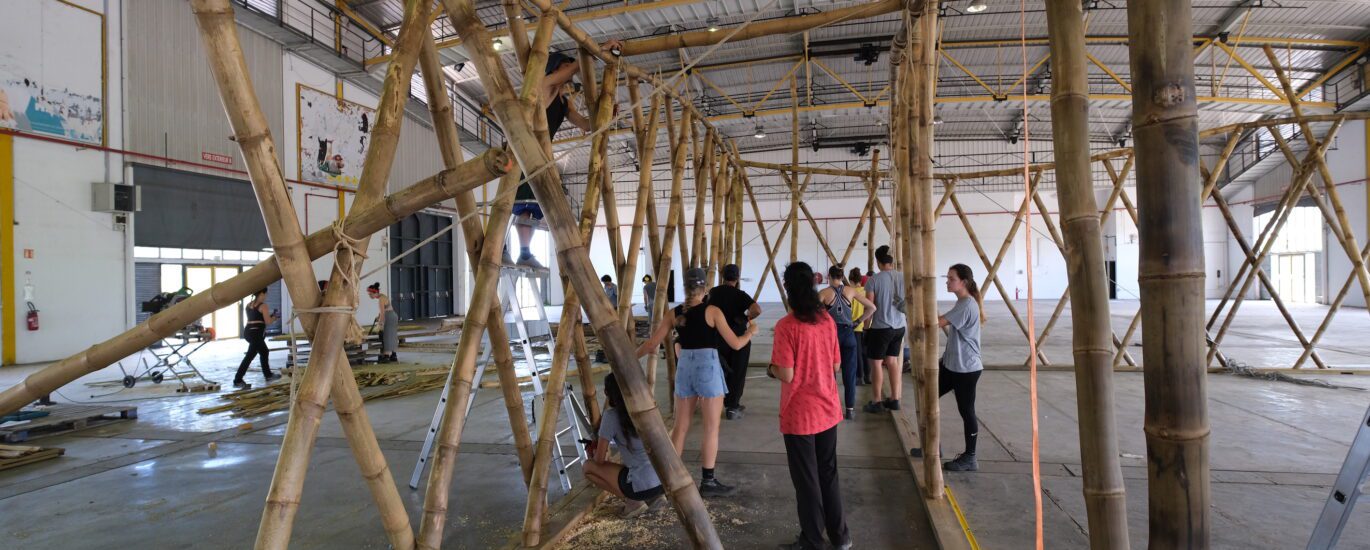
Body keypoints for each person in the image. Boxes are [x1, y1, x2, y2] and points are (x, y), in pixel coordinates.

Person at [636, 267, 758, 496]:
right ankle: (708, 481)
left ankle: (669, 478)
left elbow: (652, 344)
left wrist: (631, 357)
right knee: (711, 428)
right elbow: (736, 344)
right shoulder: (712, 311)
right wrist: (751, 331)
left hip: (685, 369)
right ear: (704, 288)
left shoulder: (674, 313)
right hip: (708, 368)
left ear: (686, 288)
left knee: (680, 427)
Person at [507, 43, 622, 270]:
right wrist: (590, 53)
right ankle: (512, 250)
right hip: (522, 149)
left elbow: (585, 124)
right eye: (566, 66)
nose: (570, 70)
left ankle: (524, 252)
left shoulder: (563, 100)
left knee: (534, 208)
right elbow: (571, 71)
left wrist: (607, 117)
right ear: (556, 67)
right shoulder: (544, 85)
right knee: (522, 205)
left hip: (539, 154)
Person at [770, 262, 852, 550]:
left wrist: (772, 368)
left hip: (800, 414)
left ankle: (813, 540)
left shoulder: (786, 327)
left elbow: (786, 374)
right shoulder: (826, 321)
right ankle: (841, 537)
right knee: (828, 473)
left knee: (807, 481)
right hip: (828, 409)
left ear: (787, 289)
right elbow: (837, 365)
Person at [913, 264, 988, 472]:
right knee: (927, 396)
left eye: (951, 278)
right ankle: (932, 446)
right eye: (947, 278)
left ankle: (970, 457)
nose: (947, 281)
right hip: (952, 365)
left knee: (967, 411)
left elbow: (937, 323)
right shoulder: (962, 302)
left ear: (963, 282)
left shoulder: (967, 304)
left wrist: (914, 309)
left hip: (966, 369)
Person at [582, 373, 665, 518]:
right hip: (662, 481)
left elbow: (599, 460)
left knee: (588, 467)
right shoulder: (644, 407)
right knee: (636, 465)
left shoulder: (611, 416)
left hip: (641, 485)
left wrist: (593, 453)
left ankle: (633, 502)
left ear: (606, 393)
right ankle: (654, 498)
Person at [819, 266, 876, 419]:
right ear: (842, 276)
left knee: (829, 373)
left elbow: (814, 316)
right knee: (850, 374)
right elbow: (871, 307)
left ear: (829, 276)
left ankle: (830, 408)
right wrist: (857, 322)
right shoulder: (851, 291)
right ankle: (850, 409)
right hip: (849, 333)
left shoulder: (823, 293)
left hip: (832, 336)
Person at [708, 264, 762, 420]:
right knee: (738, 372)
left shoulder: (713, 292)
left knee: (718, 371)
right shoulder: (740, 294)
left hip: (716, 337)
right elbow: (757, 309)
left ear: (722, 276)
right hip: (738, 338)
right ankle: (732, 406)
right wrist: (747, 318)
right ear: (737, 278)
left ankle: (714, 402)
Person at [863, 245, 906, 413]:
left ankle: (876, 401)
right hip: (899, 326)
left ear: (878, 262)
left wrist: (866, 328)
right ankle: (895, 399)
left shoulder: (874, 280)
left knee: (876, 364)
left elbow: (870, 307)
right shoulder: (902, 277)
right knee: (893, 362)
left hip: (881, 327)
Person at [234, 289, 280, 389]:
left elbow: (257, 318)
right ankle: (237, 380)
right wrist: (275, 318)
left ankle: (268, 375)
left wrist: (271, 316)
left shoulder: (248, 305)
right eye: (265, 294)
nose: (266, 296)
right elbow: (267, 322)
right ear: (261, 294)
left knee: (264, 351)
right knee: (250, 355)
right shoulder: (263, 306)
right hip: (256, 334)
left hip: (248, 332)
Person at [847, 267, 870, 385]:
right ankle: (868, 376)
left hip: (853, 326)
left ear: (851, 280)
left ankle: (859, 377)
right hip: (865, 325)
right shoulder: (865, 291)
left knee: (857, 353)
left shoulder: (850, 292)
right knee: (865, 352)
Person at [367, 282, 399, 363]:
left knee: (387, 336)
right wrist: (379, 317)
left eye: (371, 294)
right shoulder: (383, 296)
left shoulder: (381, 299)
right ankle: (393, 355)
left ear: (375, 293)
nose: (370, 296)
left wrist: (380, 324)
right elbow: (385, 310)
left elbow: (382, 313)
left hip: (388, 317)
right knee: (392, 335)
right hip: (393, 315)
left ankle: (386, 356)